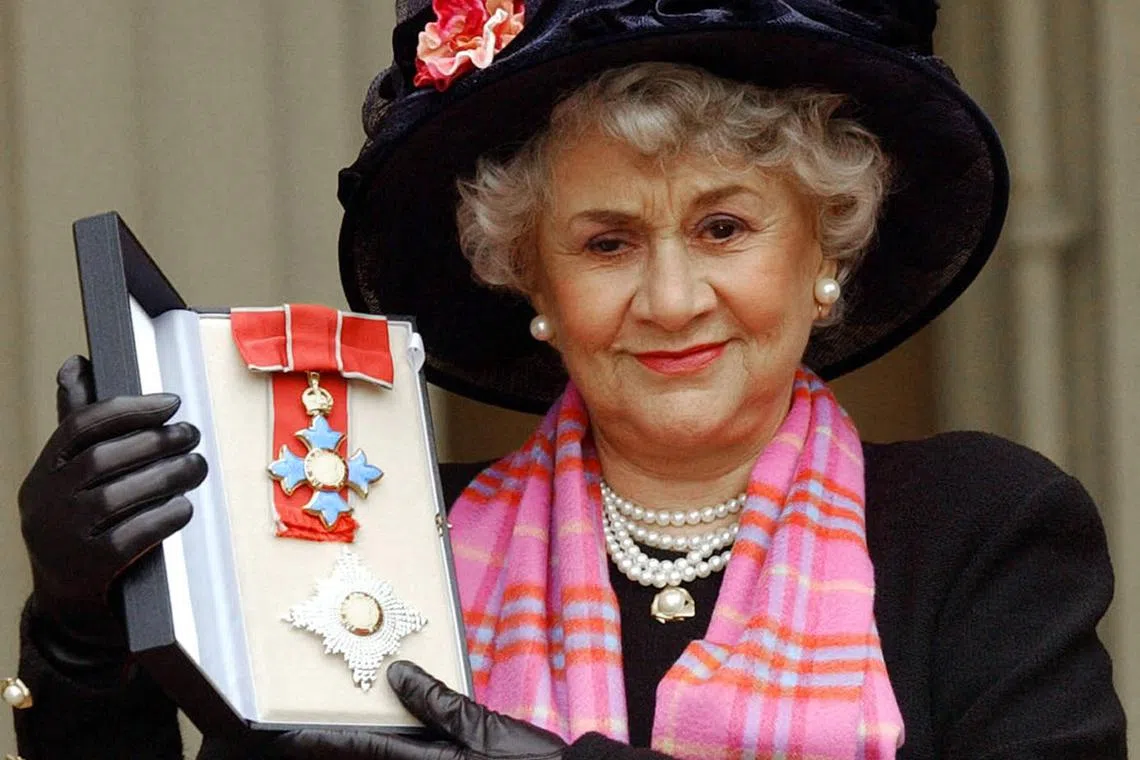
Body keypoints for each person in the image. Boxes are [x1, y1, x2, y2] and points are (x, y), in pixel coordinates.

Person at [9, 1, 1127, 758]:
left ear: (824, 251)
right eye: (606, 243)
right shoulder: (388, 538)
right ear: (529, 277)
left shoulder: (981, 527)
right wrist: (83, 628)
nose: (673, 296)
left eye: (726, 226)